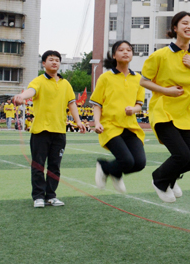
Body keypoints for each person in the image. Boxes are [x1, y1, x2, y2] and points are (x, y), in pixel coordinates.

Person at [140, 12, 190, 203]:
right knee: (182, 155)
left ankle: (171, 178)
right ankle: (159, 179)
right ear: (175, 28)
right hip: (163, 111)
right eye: (185, 23)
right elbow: (144, 81)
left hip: (187, 114)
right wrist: (166, 91)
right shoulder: (160, 55)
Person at [13, 50, 86, 208]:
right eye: (51, 60)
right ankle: (38, 196)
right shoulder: (38, 81)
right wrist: (22, 97)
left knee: (55, 166)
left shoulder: (65, 84)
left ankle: (51, 196)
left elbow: (72, 103)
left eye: (57, 60)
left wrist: (78, 122)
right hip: (41, 131)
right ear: (44, 63)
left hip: (59, 131)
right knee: (38, 165)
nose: (54, 62)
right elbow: (31, 91)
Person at [90, 40, 147, 194]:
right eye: (121, 50)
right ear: (114, 55)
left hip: (130, 126)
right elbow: (97, 104)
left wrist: (133, 109)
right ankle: (104, 166)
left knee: (140, 163)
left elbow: (139, 104)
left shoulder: (138, 78)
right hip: (110, 125)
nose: (125, 52)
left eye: (129, 50)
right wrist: (97, 123)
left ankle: (113, 171)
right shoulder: (105, 77)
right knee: (127, 160)